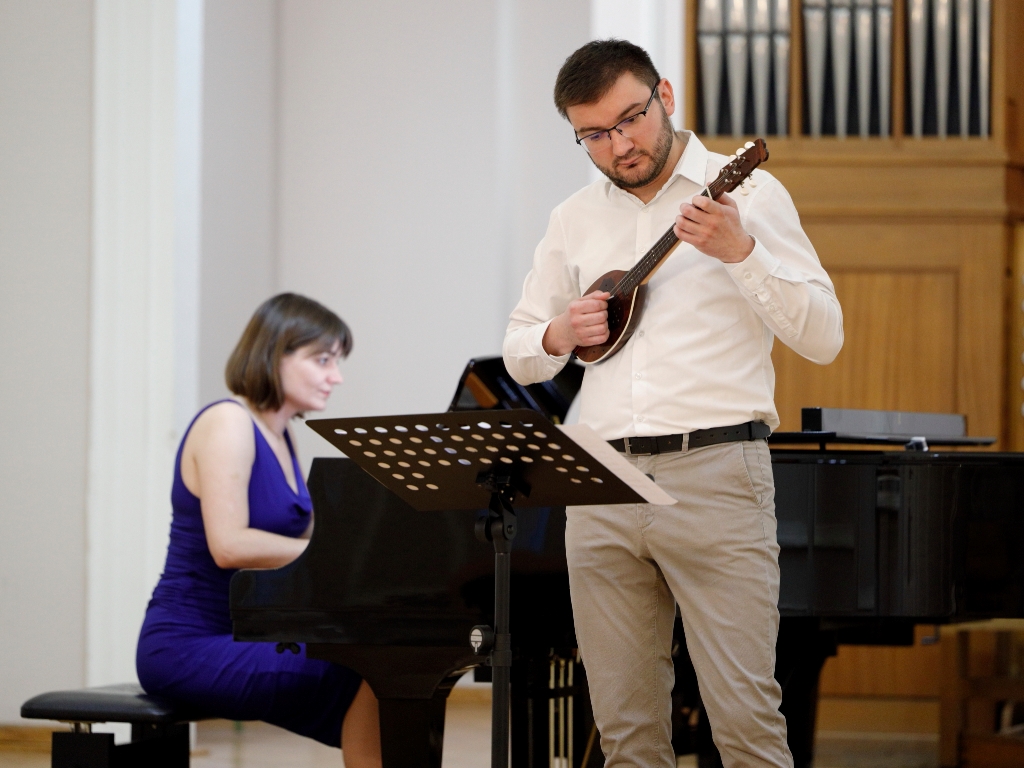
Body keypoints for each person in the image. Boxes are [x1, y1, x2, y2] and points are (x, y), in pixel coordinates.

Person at [503, 40, 843, 768]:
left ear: (665, 95)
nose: (619, 145)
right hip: (600, 482)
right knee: (625, 736)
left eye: (630, 119)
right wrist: (562, 331)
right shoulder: (572, 218)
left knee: (746, 728)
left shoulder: (752, 196)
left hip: (717, 473)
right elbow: (520, 350)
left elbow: (825, 335)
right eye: (594, 134)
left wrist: (742, 253)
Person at [137, 293, 382, 767]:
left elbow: (307, 539)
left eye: (337, 362)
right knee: (371, 669)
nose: (336, 376)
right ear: (275, 354)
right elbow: (229, 545)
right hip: (185, 644)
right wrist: (336, 558)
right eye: (323, 360)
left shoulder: (281, 433)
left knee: (391, 668)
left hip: (241, 635)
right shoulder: (227, 421)